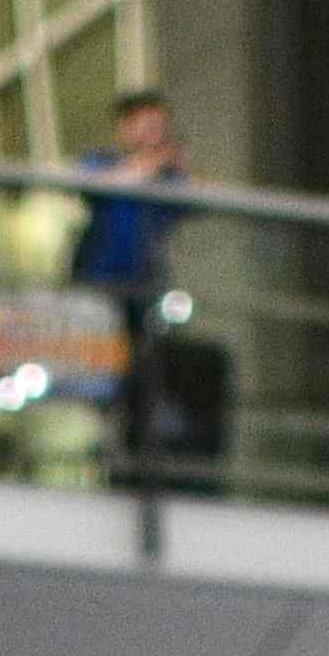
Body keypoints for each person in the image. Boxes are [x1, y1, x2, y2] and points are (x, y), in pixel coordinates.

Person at [74, 89, 221, 475]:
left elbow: (202, 197)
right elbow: (101, 185)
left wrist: (178, 170)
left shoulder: (166, 177)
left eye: (160, 126)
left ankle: (134, 452)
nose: (156, 133)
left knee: (144, 370)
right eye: (147, 125)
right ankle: (100, 446)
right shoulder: (102, 162)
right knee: (101, 371)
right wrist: (152, 165)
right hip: (100, 287)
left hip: (144, 291)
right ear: (125, 128)